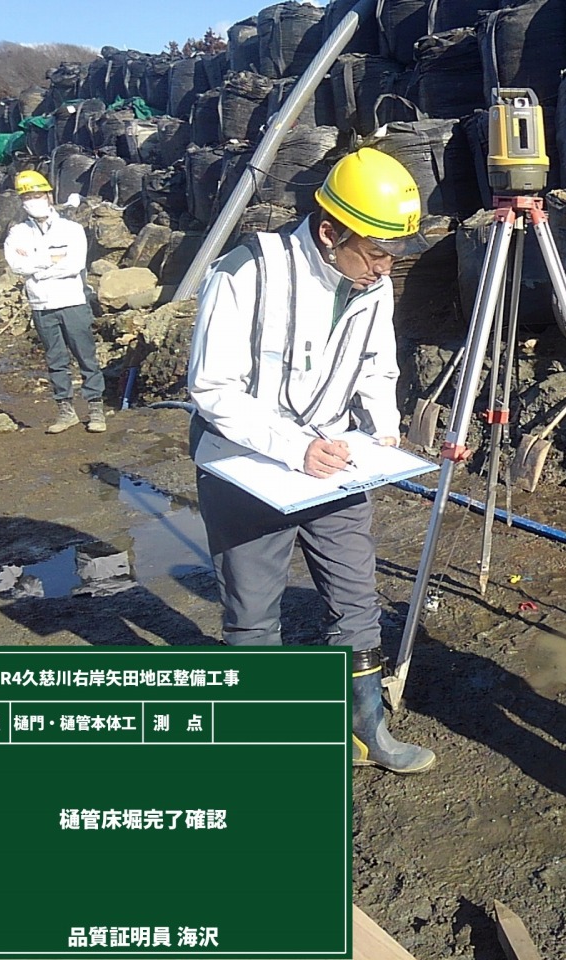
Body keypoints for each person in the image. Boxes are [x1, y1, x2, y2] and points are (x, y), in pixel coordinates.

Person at [188, 147, 434, 775]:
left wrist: (383, 430)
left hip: (333, 460)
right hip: (245, 467)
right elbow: (212, 388)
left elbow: (377, 364)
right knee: (252, 615)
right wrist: (294, 448)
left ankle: (367, 729)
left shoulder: (371, 284)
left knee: (356, 598)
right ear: (329, 232)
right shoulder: (246, 273)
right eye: (375, 253)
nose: (384, 269)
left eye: (392, 255)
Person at [3, 170, 106, 434]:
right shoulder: (18, 233)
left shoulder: (71, 229)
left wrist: (35, 264)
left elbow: (74, 265)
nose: (32, 201)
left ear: (48, 195)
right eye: (27, 197)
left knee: (85, 355)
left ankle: (96, 408)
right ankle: (65, 410)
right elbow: (16, 265)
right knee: (55, 360)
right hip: (41, 305)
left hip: (72, 302)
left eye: (36, 195)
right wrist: (50, 259)